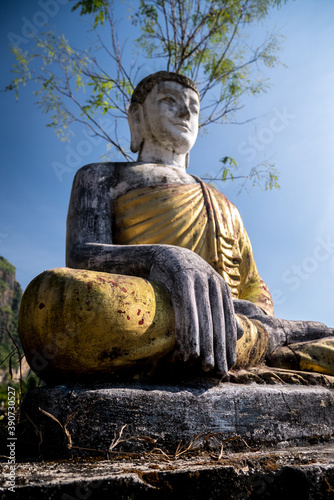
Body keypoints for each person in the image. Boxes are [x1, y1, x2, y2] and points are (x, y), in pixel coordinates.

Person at [19, 71, 334, 380]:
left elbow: (253, 282)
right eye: (170, 100)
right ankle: (268, 342)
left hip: (229, 316)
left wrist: (252, 308)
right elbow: (81, 255)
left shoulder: (225, 205)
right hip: (151, 305)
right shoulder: (102, 175)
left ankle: (247, 335)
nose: (185, 112)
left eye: (194, 108)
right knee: (54, 302)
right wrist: (163, 257)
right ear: (137, 116)